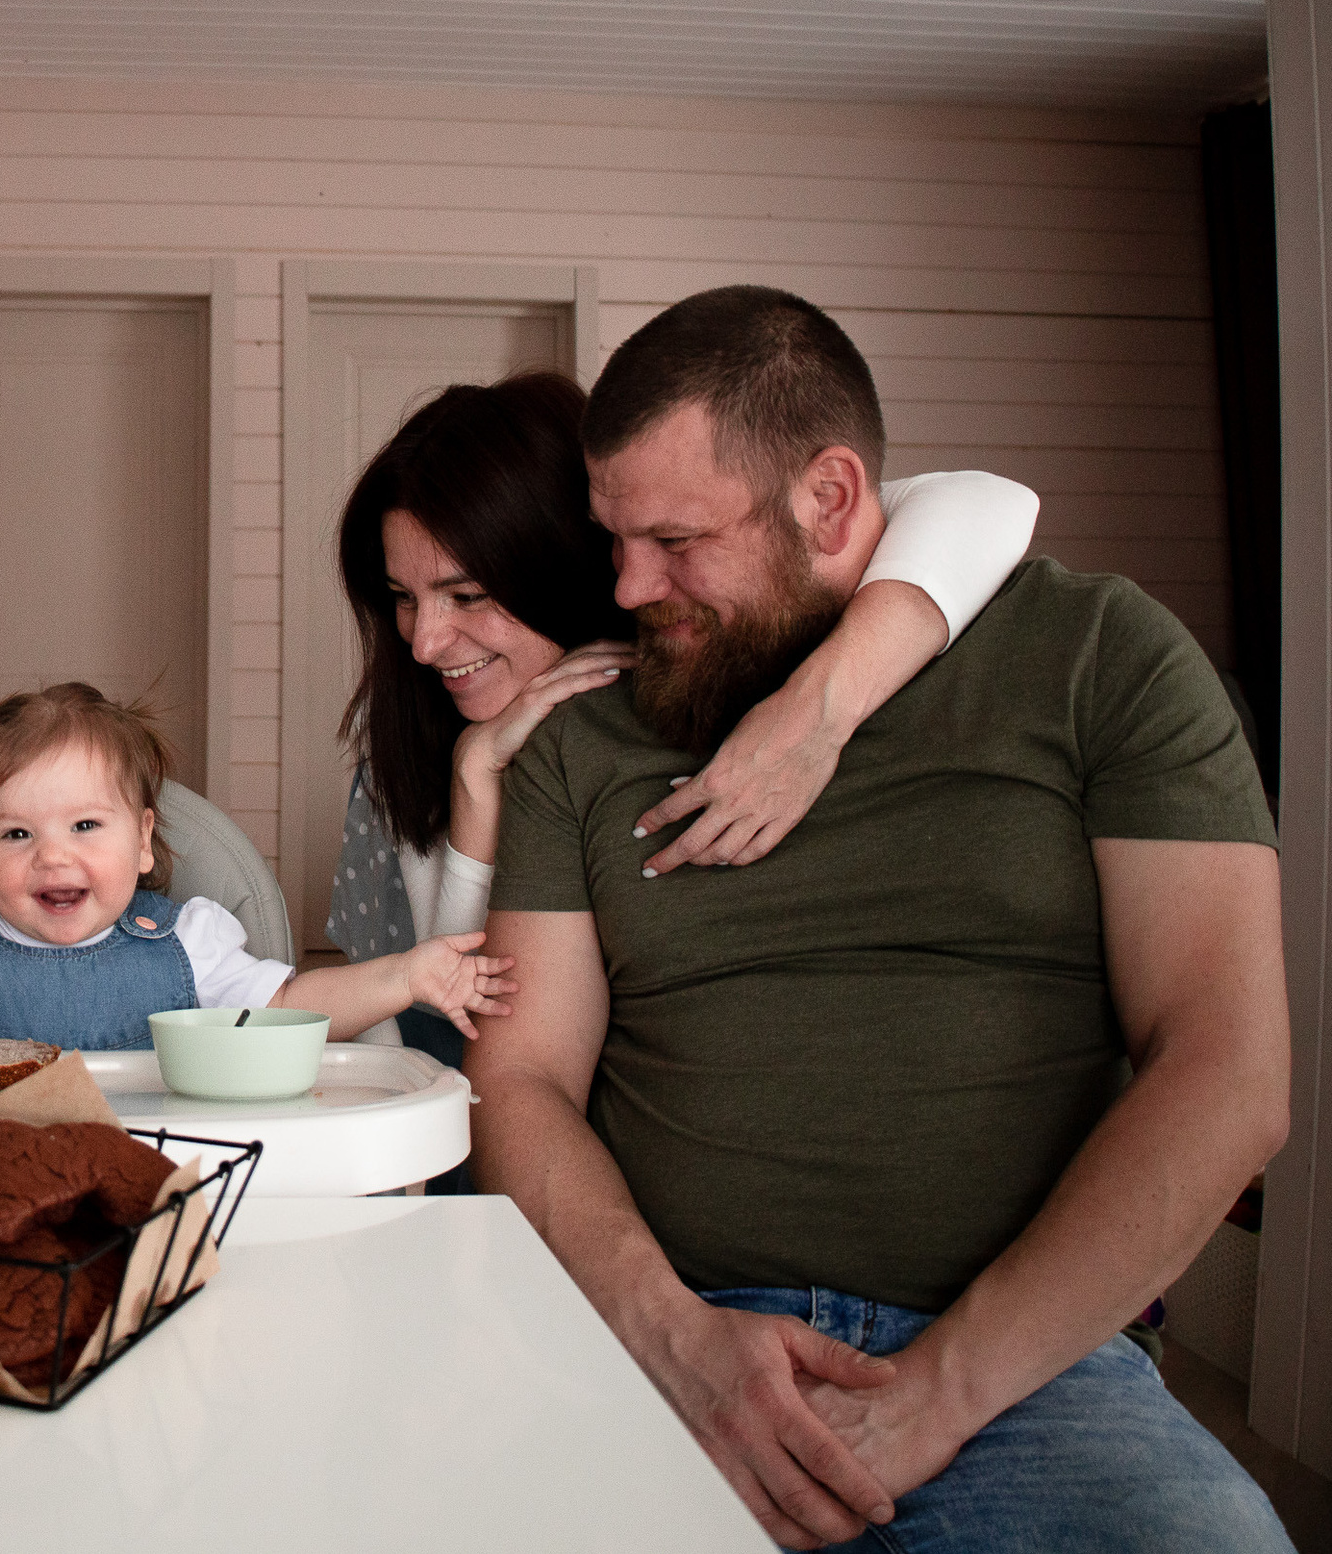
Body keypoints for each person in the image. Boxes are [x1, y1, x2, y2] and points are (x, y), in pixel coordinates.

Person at [472, 286, 1290, 1551]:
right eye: (614, 538)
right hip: (661, 1333)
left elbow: (1229, 1069)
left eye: (677, 540)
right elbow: (519, 1077)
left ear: (832, 498)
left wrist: (939, 1394)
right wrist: (676, 1338)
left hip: (1030, 1372)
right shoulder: (582, 744)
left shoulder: (1098, 658)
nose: (630, 588)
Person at [325, 372, 1040, 1081]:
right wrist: (475, 786)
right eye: (403, 598)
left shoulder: (695, 671)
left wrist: (819, 706)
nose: (424, 643)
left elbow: (984, 500)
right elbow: (449, 1044)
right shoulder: (404, 748)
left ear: (560, 560)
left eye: (467, 594)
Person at [0, 682, 511, 1061]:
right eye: (16, 832)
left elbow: (294, 1006)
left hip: (157, 1182)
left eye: (86, 826)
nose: (52, 855)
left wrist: (405, 976)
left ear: (142, 842)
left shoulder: (189, 942)